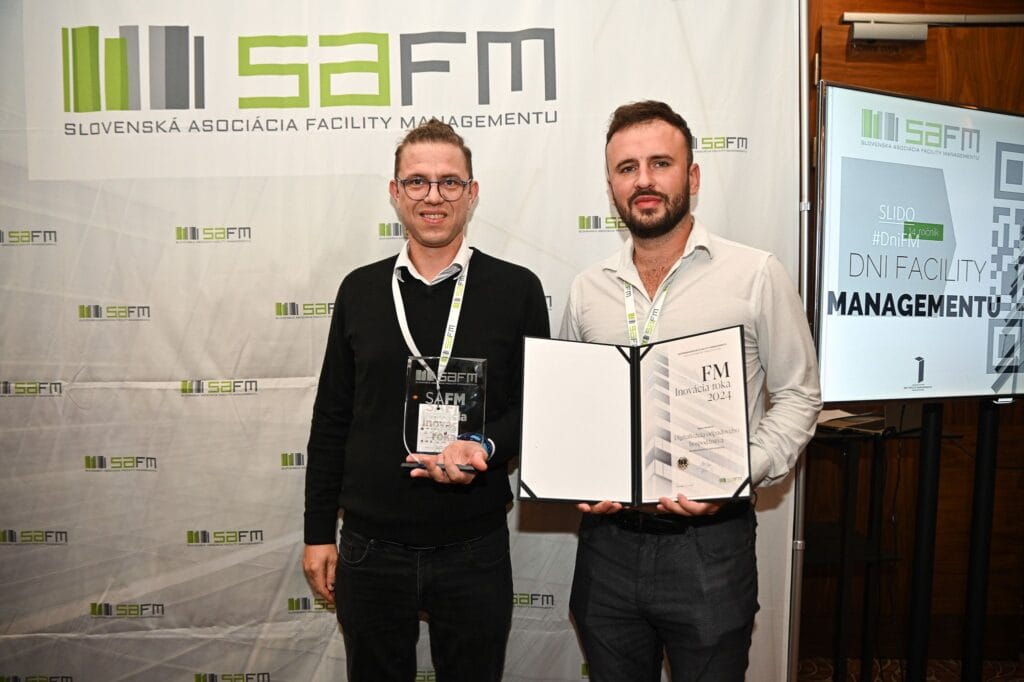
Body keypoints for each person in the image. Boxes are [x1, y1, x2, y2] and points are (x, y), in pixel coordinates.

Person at [561, 100, 822, 681]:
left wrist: (734, 471)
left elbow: (799, 396)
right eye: (627, 168)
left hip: (709, 548)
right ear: (611, 185)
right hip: (607, 548)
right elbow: (575, 407)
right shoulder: (587, 290)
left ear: (693, 177)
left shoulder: (754, 274)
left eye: (661, 163)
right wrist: (578, 471)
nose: (644, 181)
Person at [302, 118, 550, 682]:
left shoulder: (517, 289)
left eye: (449, 182)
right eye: (416, 181)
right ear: (395, 193)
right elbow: (332, 417)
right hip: (369, 549)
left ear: (472, 192)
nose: (432, 196)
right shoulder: (359, 290)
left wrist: (485, 444)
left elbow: (537, 404)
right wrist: (319, 531)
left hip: (472, 548)